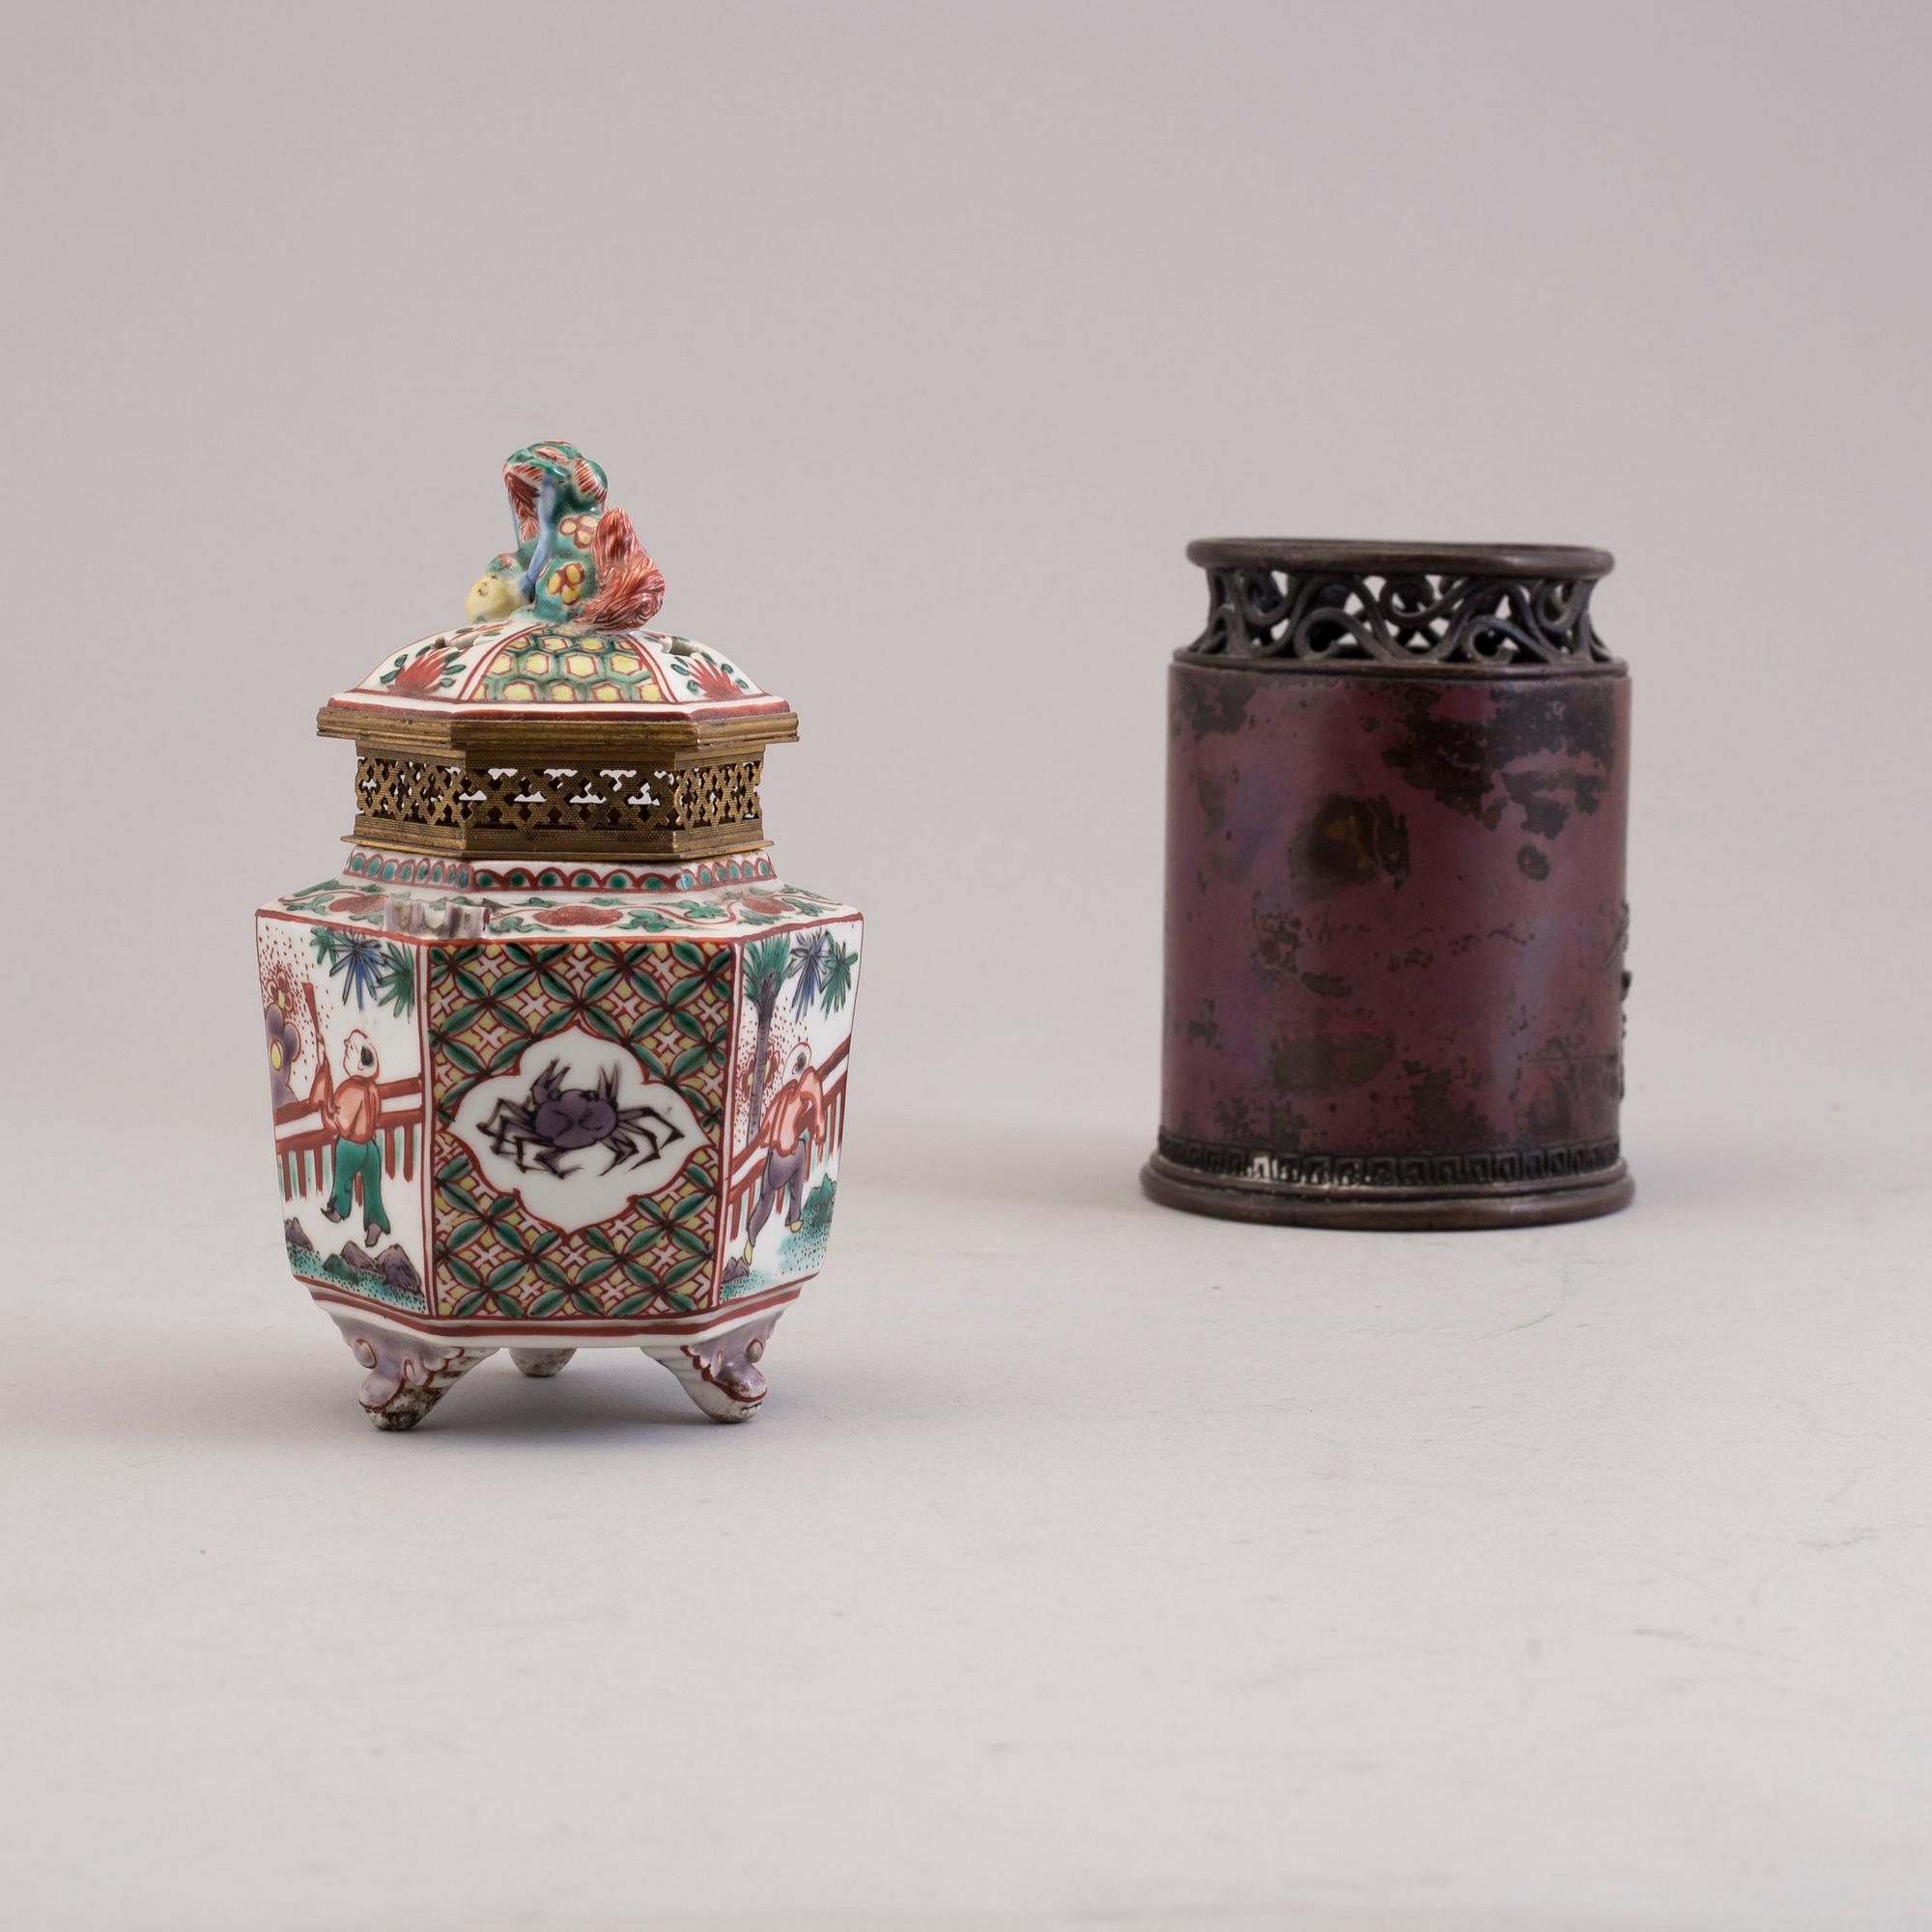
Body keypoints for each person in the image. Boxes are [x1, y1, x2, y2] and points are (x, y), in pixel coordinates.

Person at [744, 1043, 825, 1262]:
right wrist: (819, 1125)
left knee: (766, 1198)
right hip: (785, 1155)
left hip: (776, 1156)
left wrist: (763, 1141)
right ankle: (793, 1217)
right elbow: (814, 1089)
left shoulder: (783, 1095)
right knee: (800, 1153)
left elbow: (766, 1127)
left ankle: (751, 1239)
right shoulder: (799, 1090)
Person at [314, 1029, 391, 1246]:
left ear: (359, 1065)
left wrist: (325, 1109)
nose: (345, 1055)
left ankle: (338, 1211)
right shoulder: (372, 1089)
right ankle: (375, 1223)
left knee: (343, 1179)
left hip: (350, 1147)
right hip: (370, 1148)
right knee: (373, 1188)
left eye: (349, 1052)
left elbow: (341, 1126)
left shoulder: (350, 1089)